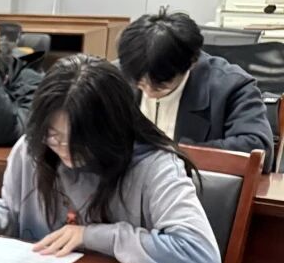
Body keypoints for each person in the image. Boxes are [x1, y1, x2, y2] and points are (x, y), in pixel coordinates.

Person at [0, 55, 222, 263]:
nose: (66, 150)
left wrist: (92, 235)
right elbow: (14, 215)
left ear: (113, 128)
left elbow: (200, 256)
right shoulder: (31, 149)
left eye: (82, 140)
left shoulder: (154, 165)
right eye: (54, 135)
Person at [116, 9, 273, 163]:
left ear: (192, 62)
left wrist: (178, 153)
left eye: (161, 86)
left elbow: (258, 149)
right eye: (140, 83)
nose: (149, 92)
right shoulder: (116, 76)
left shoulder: (231, 87)